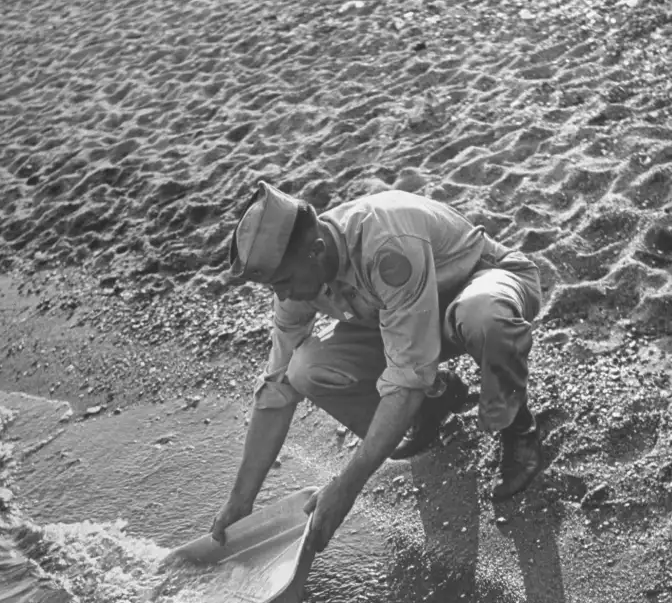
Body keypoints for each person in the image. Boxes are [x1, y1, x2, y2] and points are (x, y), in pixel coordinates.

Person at [211, 180, 543, 553]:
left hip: (479, 284)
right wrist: (240, 500)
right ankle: (434, 404)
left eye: (285, 282)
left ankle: (519, 428)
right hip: (410, 321)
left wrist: (346, 487)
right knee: (304, 369)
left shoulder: (386, 248)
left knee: (483, 318)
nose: (283, 296)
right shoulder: (298, 270)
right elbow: (277, 387)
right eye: (275, 287)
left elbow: (406, 378)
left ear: (316, 251)